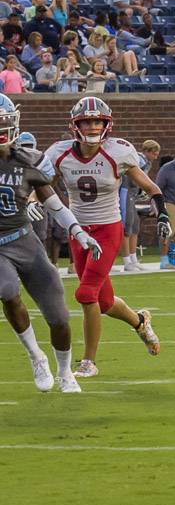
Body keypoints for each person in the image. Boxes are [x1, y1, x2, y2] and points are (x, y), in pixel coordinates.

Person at [38, 96, 166, 378]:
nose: (93, 126)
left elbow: (149, 185)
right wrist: (32, 202)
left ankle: (88, 361)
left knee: (85, 294)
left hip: (108, 229)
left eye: (97, 120)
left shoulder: (118, 151)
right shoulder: (60, 153)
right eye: (87, 121)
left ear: (106, 124)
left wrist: (163, 212)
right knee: (104, 302)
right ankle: (140, 321)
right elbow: (45, 185)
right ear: (75, 124)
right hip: (77, 231)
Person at [0, 97, 84, 393]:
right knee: (7, 291)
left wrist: (77, 230)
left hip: (25, 239)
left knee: (59, 316)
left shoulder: (28, 159)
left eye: (3, 120)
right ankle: (36, 356)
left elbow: (53, 201)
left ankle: (65, 371)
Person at [119, 139, 158, 273]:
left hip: (132, 194)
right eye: (154, 153)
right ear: (147, 151)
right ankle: (126, 261)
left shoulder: (147, 162)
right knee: (127, 226)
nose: (156, 156)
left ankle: (133, 259)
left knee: (135, 226)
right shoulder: (139, 160)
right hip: (126, 191)